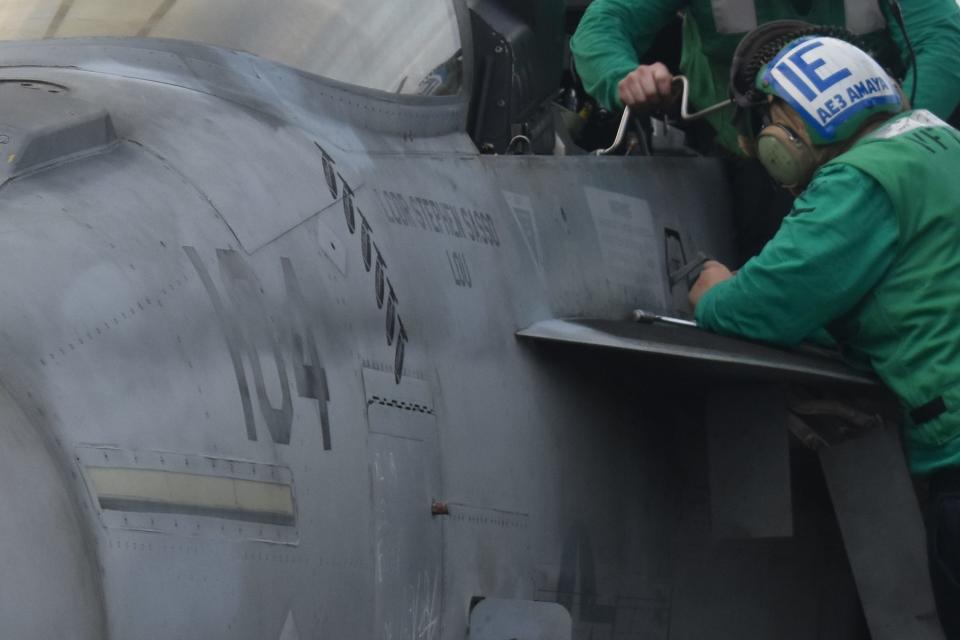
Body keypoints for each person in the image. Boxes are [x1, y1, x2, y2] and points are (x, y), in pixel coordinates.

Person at [687, 23, 960, 636]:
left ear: (792, 119)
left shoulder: (859, 179)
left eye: (768, 121)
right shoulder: (939, 142)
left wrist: (713, 287)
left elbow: (761, 306)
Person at [570, 0, 960, 259]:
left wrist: (880, 155)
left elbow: (944, 44)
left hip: (874, 164)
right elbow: (603, 25)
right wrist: (622, 78)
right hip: (741, 158)